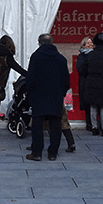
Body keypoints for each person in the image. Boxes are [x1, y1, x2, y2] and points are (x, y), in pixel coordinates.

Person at [24, 33, 71, 161]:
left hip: (38, 96)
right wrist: (61, 92)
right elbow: (66, 81)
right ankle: (52, 153)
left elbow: (30, 77)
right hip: (55, 96)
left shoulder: (36, 57)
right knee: (55, 125)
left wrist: (30, 92)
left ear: (39, 43)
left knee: (37, 125)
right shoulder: (61, 59)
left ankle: (37, 152)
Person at [79, 32, 103, 136]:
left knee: (93, 106)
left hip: (91, 82)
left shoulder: (90, 55)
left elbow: (83, 70)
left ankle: (94, 128)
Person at [76, 37, 94, 131]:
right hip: (85, 82)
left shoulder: (95, 55)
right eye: (88, 43)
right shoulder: (82, 57)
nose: (90, 45)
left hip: (94, 82)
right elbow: (80, 70)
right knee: (87, 104)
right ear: (83, 45)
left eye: (91, 43)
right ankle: (89, 123)